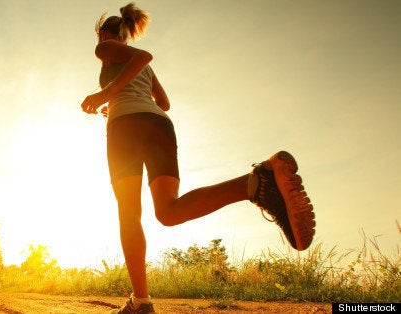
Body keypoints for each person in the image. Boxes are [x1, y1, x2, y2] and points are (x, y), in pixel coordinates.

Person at [80, 3, 316, 314]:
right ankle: (254, 183)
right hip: (158, 126)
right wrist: (120, 99)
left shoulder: (106, 49)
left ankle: (141, 302)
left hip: (126, 129)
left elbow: (144, 56)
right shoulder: (143, 70)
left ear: (107, 34)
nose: (99, 44)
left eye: (100, 37)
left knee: (129, 213)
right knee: (168, 212)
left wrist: (104, 95)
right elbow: (163, 102)